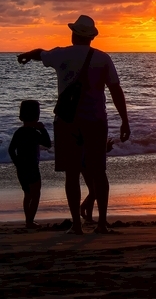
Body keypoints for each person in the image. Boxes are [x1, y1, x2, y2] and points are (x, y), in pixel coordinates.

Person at [17, 15, 130, 234]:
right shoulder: (103, 58)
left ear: (73, 34)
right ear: (91, 37)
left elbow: (41, 54)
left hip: (67, 122)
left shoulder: (61, 54)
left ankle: (76, 226)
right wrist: (125, 120)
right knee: (99, 172)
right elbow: (116, 90)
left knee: (72, 174)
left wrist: (27, 56)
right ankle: (101, 223)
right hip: (97, 121)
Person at [7, 100, 52, 230]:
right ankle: (30, 221)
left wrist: (17, 163)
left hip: (21, 168)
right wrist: (42, 129)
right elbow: (48, 144)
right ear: (37, 116)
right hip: (32, 167)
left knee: (27, 194)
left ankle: (28, 220)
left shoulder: (19, 132)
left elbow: (11, 150)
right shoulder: (34, 133)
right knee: (36, 194)